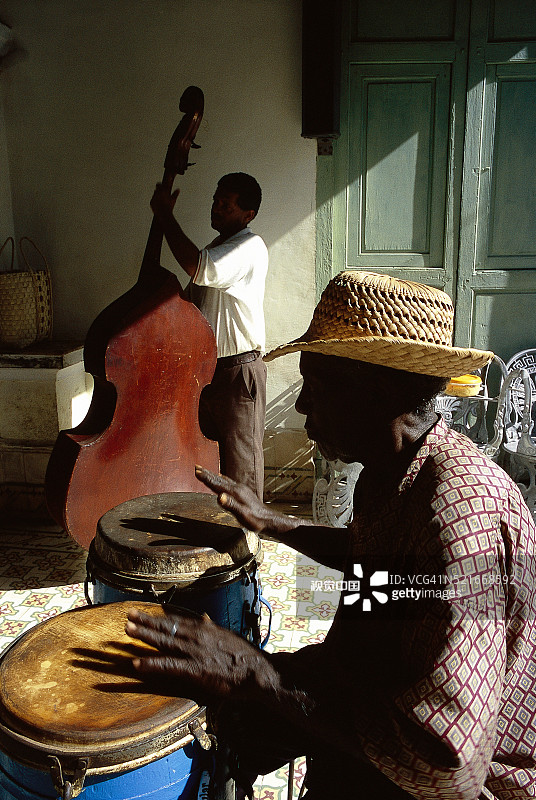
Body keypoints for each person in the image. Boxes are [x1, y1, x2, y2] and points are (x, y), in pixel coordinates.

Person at [124, 271, 536, 799]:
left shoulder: (459, 513)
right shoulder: (393, 470)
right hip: (386, 703)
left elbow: (445, 764)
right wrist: (278, 525)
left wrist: (262, 676)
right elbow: (397, 579)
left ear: (377, 391)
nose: (301, 408)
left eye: (316, 387)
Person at [151, 172, 268, 499]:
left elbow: (197, 266)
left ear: (248, 214)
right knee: (210, 464)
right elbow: (188, 305)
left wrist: (164, 217)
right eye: (215, 200)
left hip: (237, 372)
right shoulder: (219, 246)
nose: (216, 207)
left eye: (225, 204)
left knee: (242, 468)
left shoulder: (248, 246)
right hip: (206, 374)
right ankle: (219, 536)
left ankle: (249, 540)